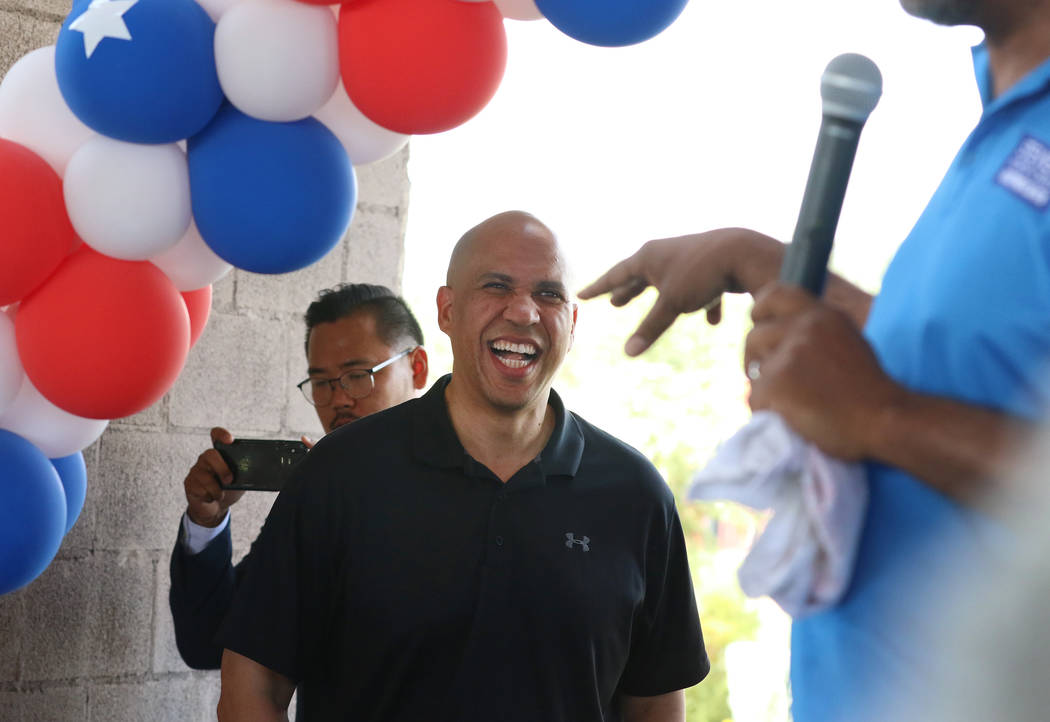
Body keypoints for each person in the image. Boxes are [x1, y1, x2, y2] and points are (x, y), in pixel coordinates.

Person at [579, 2, 1050, 720]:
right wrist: (763, 259)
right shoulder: (1007, 121)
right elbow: (951, 365)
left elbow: (883, 402)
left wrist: (883, 417)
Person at [215, 211, 710, 722]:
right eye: (496, 286)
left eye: (549, 293)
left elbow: (655, 702)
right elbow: (253, 683)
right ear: (447, 311)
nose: (523, 312)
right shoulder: (339, 474)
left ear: (572, 323)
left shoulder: (635, 495)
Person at [169, 283, 429, 673]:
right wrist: (207, 521)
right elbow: (208, 641)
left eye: (358, 375)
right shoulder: (316, 496)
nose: (339, 399)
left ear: (418, 367)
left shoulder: (481, 485)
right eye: (322, 382)